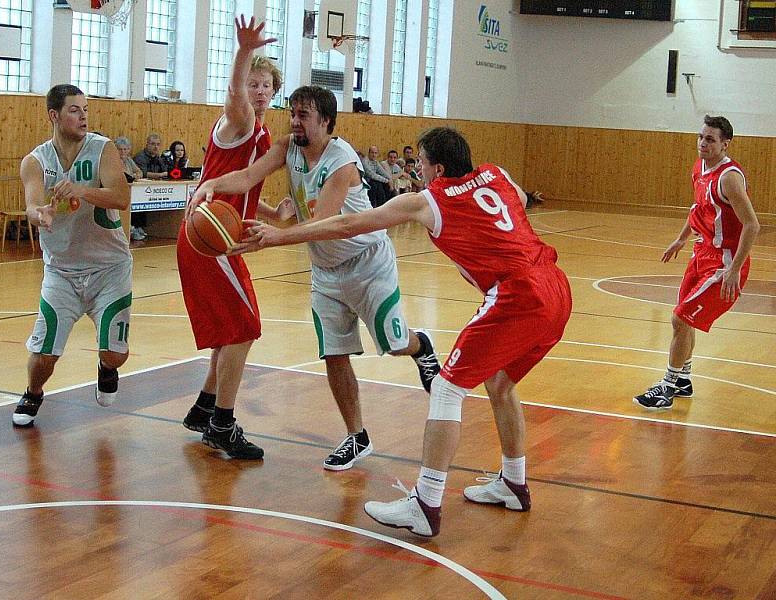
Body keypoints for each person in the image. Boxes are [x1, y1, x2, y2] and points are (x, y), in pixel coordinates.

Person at [236, 126, 572, 537]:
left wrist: (278, 238)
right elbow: (520, 201)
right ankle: (514, 483)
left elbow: (348, 225)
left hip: (518, 294)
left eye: (422, 163)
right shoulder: (497, 173)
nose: (418, 169)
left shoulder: (426, 201)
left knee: (448, 389)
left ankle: (426, 504)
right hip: (555, 285)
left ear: (439, 168)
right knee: (500, 384)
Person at [188, 86, 441, 472]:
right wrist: (212, 184)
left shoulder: (342, 161)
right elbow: (249, 175)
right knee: (335, 354)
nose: (294, 121)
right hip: (326, 271)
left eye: (303, 115)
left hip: (367, 263)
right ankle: (357, 436)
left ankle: (420, 346)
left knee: (394, 343)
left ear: (325, 121)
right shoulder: (289, 146)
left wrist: (273, 238)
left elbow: (325, 224)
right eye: (292, 113)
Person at [177, 16, 290, 459]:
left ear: (274, 93)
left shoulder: (260, 133)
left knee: (229, 332)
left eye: (266, 86)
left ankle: (205, 410)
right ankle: (222, 424)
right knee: (244, 328)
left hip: (218, 235)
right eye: (253, 83)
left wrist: (269, 212)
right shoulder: (238, 120)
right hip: (209, 240)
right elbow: (232, 96)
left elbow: (236, 183)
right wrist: (244, 53)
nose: (258, 91)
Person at [13, 84, 132, 427]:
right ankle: (33, 393)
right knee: (43, 353)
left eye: (85, 109)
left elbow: (121, 197)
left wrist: (82, 190)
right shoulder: (35, 162)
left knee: (116, 353)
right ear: (54, 115)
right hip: (61, 271)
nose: (83, 116)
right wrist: (41, 216)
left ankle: (106, 367)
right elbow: (32, 206)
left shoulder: (102, 148)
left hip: (109, 268)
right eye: (74, 110)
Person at [634, 115, 760, 410]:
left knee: (680, 318)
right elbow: (698, 208)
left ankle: (666, 387)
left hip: (724, 262)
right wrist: (681, 238)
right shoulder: (699, 167)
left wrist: (735, 268)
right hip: (701, 254)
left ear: (724, 144)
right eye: (701, 137)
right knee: (685, 320)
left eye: (710, 139)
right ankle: (683, 380)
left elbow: (752, 225)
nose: (703, 143)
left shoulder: (728, 178)